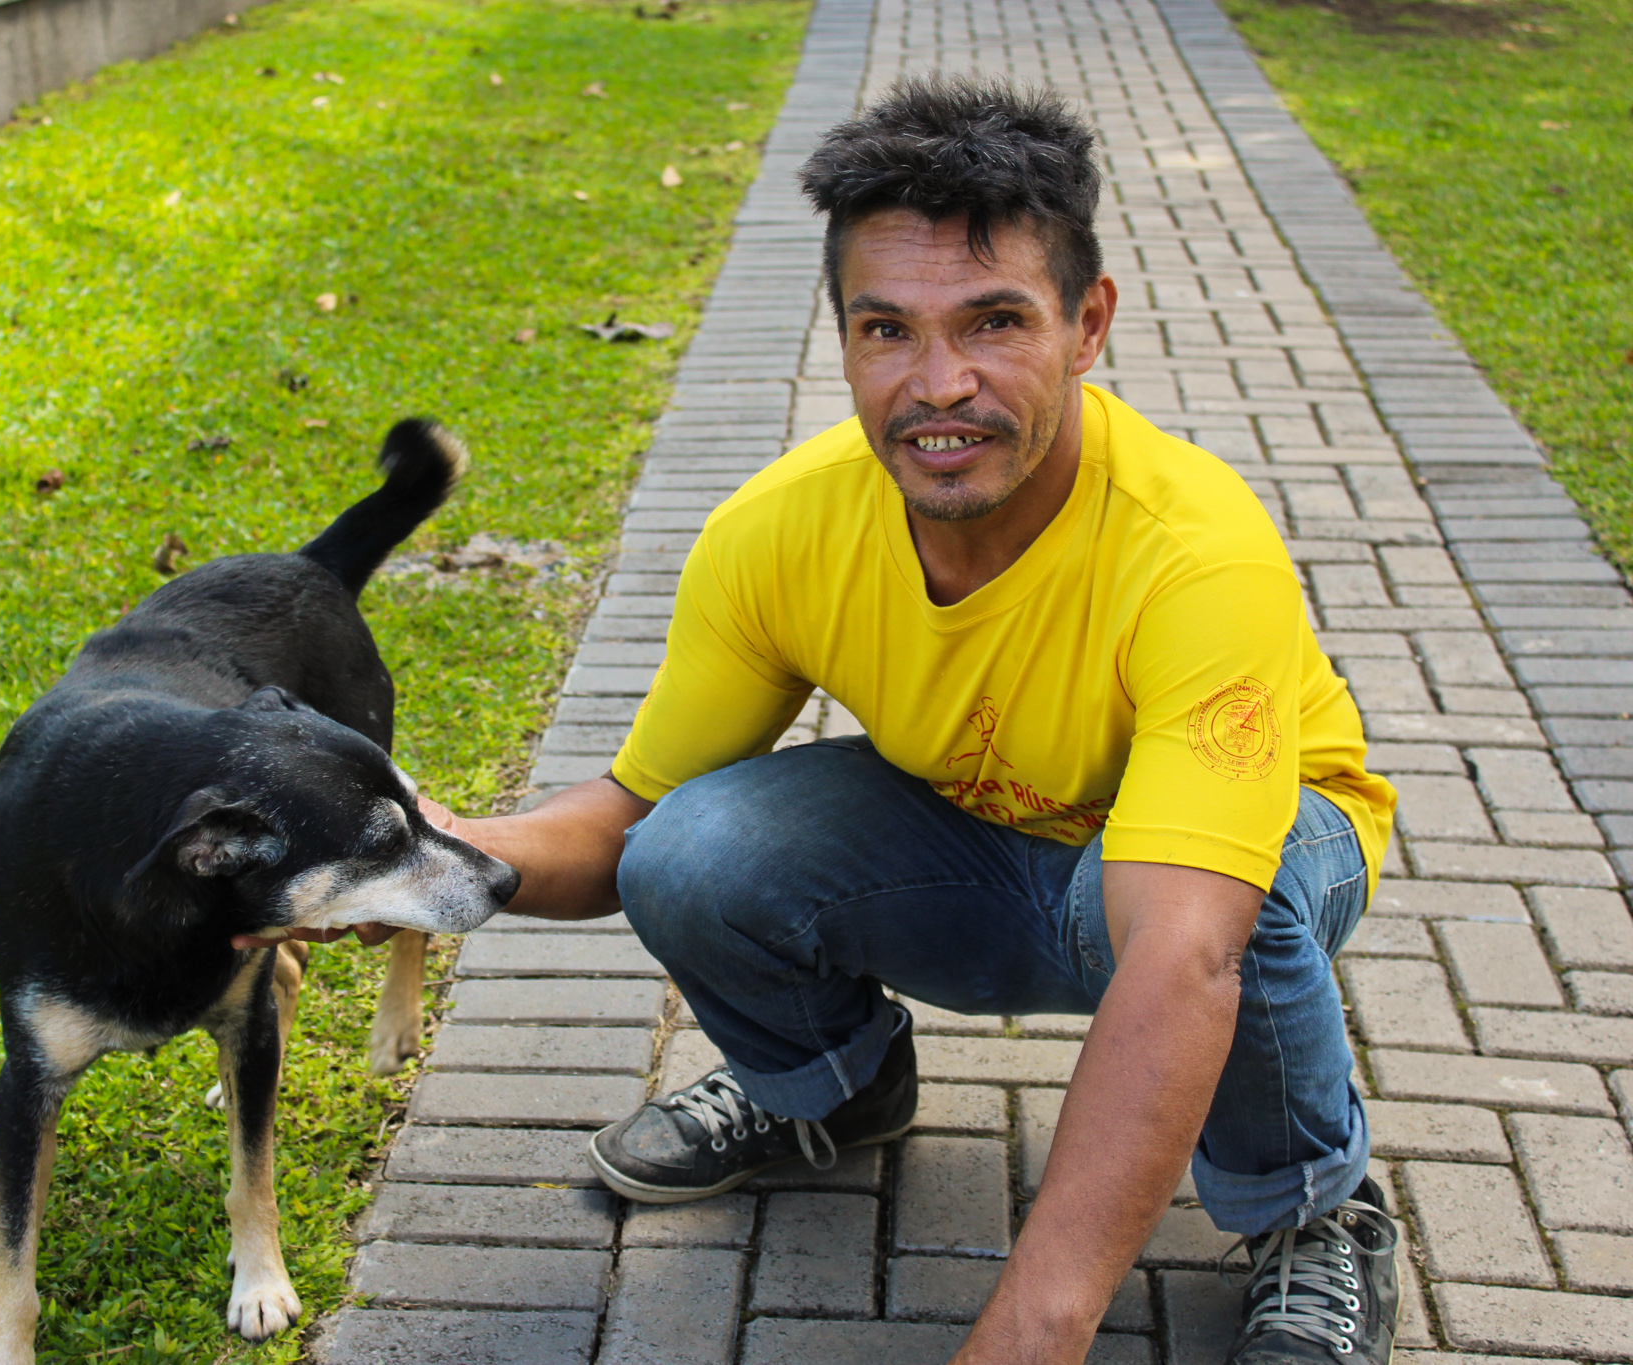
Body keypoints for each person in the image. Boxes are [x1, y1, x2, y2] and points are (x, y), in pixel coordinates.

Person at [419, 74, 1401, 1365]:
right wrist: (425, 852)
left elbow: (1181, 953)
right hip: (992, 847)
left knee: (1242, 885)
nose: (940, 385)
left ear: (1087, 322)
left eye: (995, 321)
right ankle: (836, 1091)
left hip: (1229, 868)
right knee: (694, 847)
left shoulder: (1196, 550)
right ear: (843, 336)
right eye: (888, 330)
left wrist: (1034, 1331)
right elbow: (627, 821)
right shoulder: (779, 532)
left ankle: (1312, 1210)